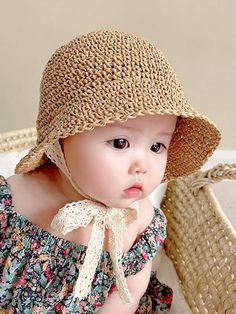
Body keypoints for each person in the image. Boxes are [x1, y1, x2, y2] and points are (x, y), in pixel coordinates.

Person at [0, 30, 221, 313]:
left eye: (157, 146)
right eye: (120, 143)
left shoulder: (140, 219)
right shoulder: (17, 197)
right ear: (62, 139)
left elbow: (128, 293)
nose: (143, 165)